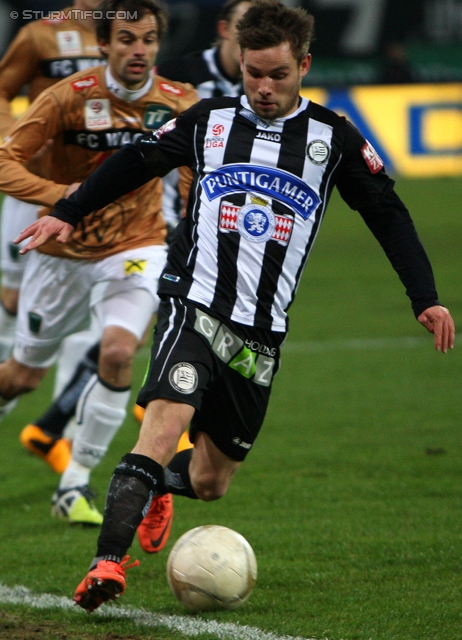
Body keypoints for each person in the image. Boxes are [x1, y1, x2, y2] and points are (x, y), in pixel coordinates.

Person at [15, 0, 455, 612]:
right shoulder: (207, 120)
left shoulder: (333, 138)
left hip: (263, 334)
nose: (265, 87)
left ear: (303, 64)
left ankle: (160, 490)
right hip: (194, 304)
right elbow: (136, 161)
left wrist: (425, 298)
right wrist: (66, 212)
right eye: (253, 73)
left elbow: (387, 214)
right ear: (240, 62)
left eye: (278, 74)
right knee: (162, 430)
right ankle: (106, 565)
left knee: (211, 481)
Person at [0, 0, 197, 535]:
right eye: (128, 40)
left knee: (116, 352)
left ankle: (75, 481)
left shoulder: (179, 102)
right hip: (61, 256)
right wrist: (60, 195)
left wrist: (188, 230)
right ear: (103, 45)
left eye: (149, 40)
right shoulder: (66, 97)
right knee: (20, 377)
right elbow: (5, 161)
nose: (140, 50)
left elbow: (192, 173)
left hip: (135, 246)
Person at [131, 0, 253, 424]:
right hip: (163, 218)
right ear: (223, 28)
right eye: (245, 26)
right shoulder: (180, 76)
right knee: (134, 329)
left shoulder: (264, 87)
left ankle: (57, 425)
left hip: (225, 227)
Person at [0, 0, 105, 473]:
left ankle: (61, 438)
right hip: (34, 189)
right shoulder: (41, 35)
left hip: (87, 199)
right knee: (11, 301)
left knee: (85, 321)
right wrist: (16, 134)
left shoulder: (123, 41)